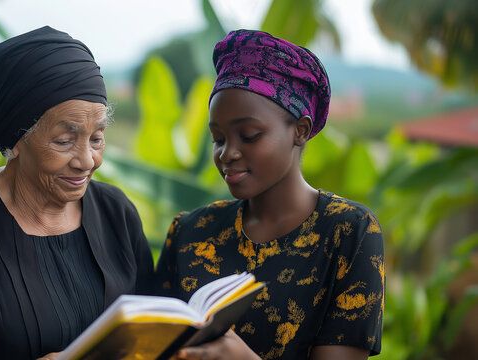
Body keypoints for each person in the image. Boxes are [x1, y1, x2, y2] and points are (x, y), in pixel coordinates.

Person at [0, 26, 154, 360]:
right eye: (64, 141)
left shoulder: (116, 212)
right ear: (16, 140)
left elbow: (153, 329)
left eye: (97, 138)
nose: (88, 161)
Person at [154, 29, 384, 360]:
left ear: (300, 131)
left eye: (249, 135)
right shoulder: (190, 231)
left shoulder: (349, 233)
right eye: (218, 138)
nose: (227, 153)